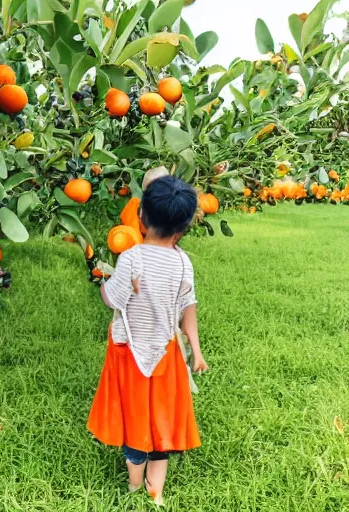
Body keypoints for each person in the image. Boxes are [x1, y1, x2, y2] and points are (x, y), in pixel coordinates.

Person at [87, 176, 209, 506]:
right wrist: (196, 353)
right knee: (161, 422)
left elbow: (113, 300)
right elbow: (189, 309)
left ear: (140, 216)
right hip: (166, 354)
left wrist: (102, 281)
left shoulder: (131, 258)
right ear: (185, 226)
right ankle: (156, 495)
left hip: (129, 355)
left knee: (134, 420)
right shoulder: (184, 262)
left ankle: (132, 487)